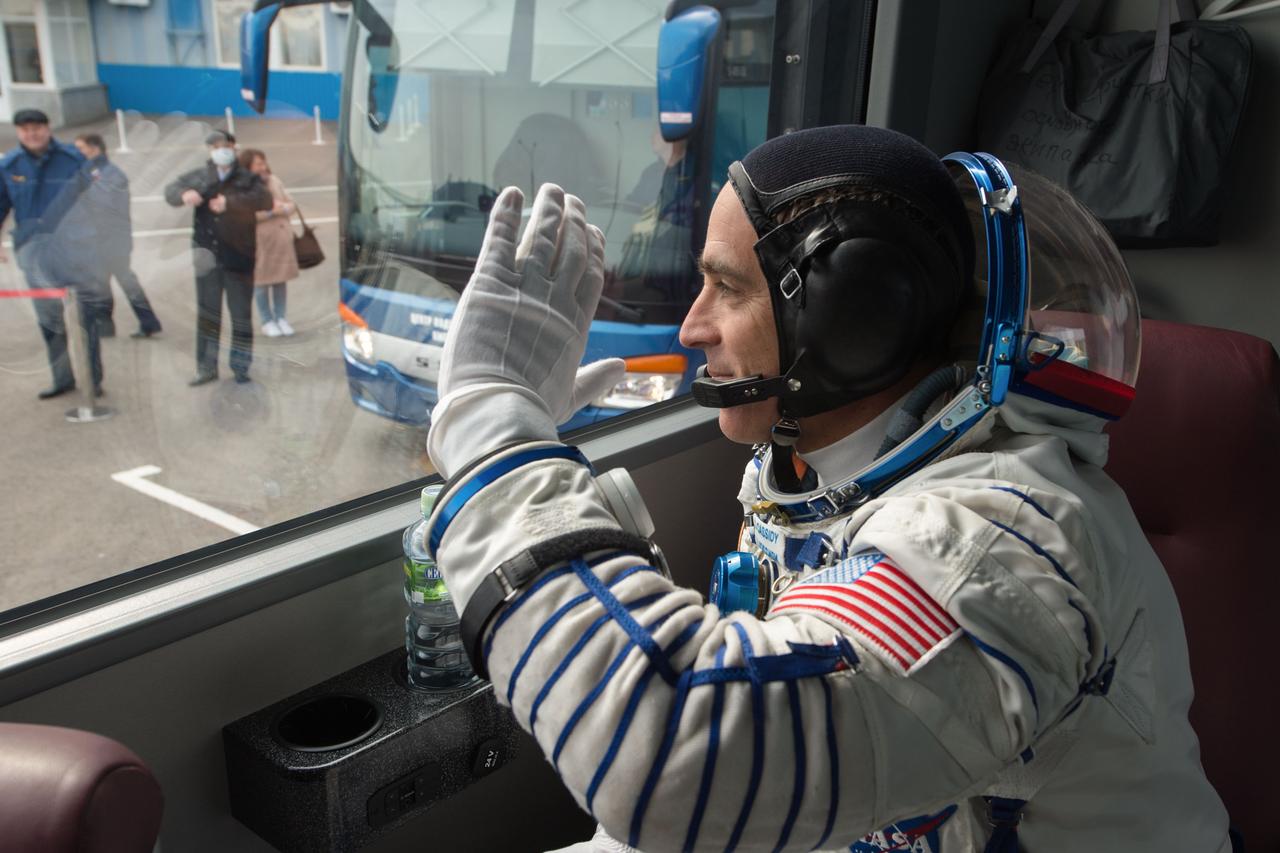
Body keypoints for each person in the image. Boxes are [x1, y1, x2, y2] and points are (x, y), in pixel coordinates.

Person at [419, 125, 1234, 852]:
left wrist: (495, 427)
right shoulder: (816, 474)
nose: (691, 328)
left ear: (855, 319)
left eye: (727, 288)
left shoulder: (993, 543)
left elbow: (679, 760)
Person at [0, 108, 107, 399]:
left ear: (48, 129)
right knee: (50, 322)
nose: (31, 134)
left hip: (76, 251)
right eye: (25, 129)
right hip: (34, 256)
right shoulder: (9, 165)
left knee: (86, 319)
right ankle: (62, 379)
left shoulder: (73, 159)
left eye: (37, 127)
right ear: (18, 132)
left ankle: (92, 379)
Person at [164, 130, 271, 385]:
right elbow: (171, 190)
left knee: (241, 316)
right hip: (207, 258)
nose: (220, 150)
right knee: (209, 314)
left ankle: (241, 366)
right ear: (209, 150)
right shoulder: (201, 176)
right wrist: (183, 195)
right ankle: (206, 367)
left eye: (225, 145)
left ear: (234, 148)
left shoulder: (247, 178)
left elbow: (265, 200)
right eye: (215, 146)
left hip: (239, 258)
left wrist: (230, 203)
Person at [72, 133, 163, 340]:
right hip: (100, 238)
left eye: (80, 148)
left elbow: (104, 204)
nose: (77, 153)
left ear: (94, 148)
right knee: (102, 282)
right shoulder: (91, 172)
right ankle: (106, 326)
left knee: (125, 280)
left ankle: (148, 322)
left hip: (113, 239)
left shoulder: (110, 173)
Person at [238, 148, 299, 337]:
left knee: (280, 280)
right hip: (260, 242)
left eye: (263, 162)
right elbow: (244, 215)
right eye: (258, 164)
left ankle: (281, 317)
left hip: (281, 240)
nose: (263, 167)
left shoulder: (274, 180)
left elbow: (292, 204)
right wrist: (273, 211)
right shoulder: (243, 187)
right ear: (248, 166)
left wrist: (286, 207)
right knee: (261, 283)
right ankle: (266, 320)